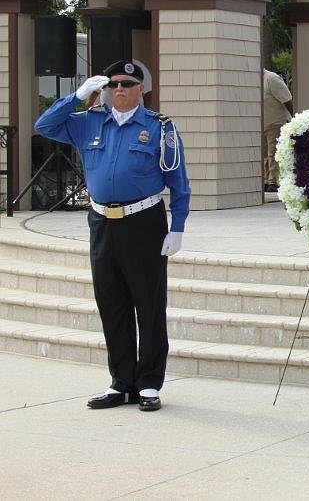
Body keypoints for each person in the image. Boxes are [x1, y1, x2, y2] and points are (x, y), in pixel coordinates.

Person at [34, 60, 191, 412]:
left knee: (148, 305)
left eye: (127, 83)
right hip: (103, 222)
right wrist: (77, 95)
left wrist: (178, 226)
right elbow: (43, 125)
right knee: (112, 304)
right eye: (113, 84)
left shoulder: (159, 127)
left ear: (141, 89)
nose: (119, 89)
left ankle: (149, 383)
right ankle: (121, 381)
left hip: (143, 221)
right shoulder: (88, 121)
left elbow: (178, 181)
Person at [262, 68, 294, 192]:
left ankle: (273, 181)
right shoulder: (253, 79)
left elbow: (287, 99)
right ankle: (265, 179)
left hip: (276, 122)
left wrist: (294, 117)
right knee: (264, 154)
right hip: (261, 124)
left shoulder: (271, 78)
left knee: (274, 152)